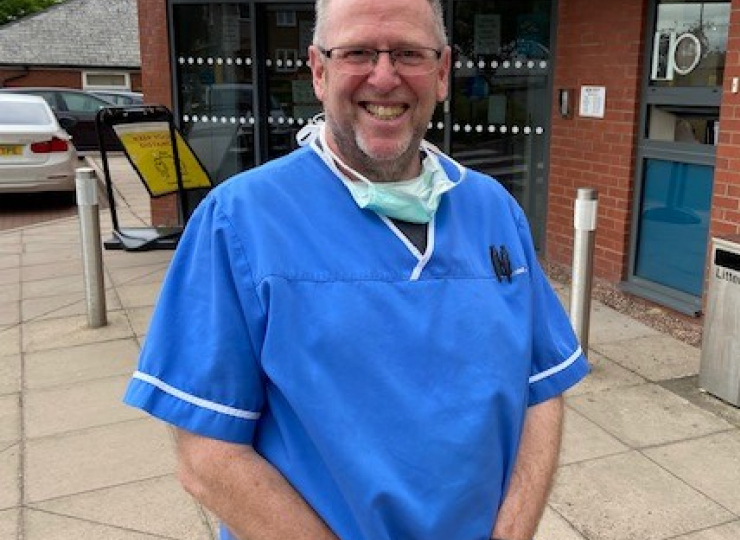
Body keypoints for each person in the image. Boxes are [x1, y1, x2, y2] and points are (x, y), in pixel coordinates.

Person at [123, 0, 590, 538]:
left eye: (409, 53)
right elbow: (207, 458)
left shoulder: (493, 209)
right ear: (319, 72)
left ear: (442, 73)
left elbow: (542, 386)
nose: (385, 76)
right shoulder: (240, 220)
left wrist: (512, 531)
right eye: (358, 52)